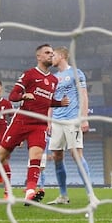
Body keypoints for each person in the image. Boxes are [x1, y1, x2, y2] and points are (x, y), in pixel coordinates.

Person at [0, 44, 69, 203]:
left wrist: (59, 103)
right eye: (47, 53)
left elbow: (45, 101)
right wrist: (24, 96)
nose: (51, 55)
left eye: (52, 53)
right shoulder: (29, 74)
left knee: (36, 157)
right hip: (22, 121)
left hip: (40, 125)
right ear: (38, 56)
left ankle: (29, 191)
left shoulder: (53, 80)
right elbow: (13, 95)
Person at [46, 46, 95, 205]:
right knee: (56, 157)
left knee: (77, 156)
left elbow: (84, 96)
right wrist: (49, 122)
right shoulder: (53, 78)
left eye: (53, 55)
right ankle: (63, 195)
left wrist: (84, 118)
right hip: (57, 122)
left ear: (61, 56)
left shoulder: (76, 73)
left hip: (72, 120)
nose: (50, 58)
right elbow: (51, 102)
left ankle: (91, 195)